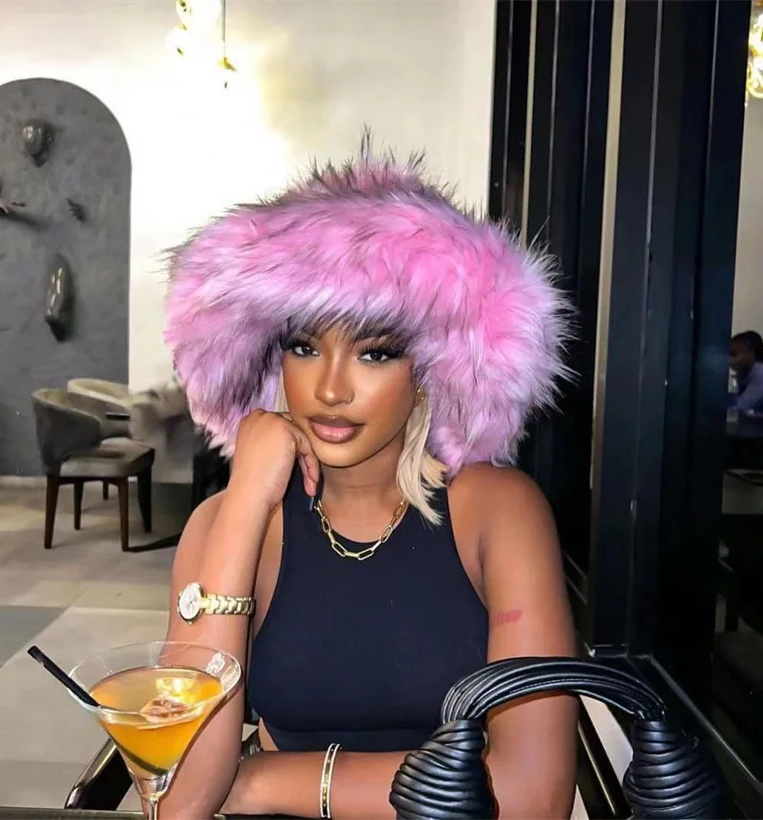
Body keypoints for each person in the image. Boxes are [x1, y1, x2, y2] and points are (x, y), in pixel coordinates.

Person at [160, 138, 578, 819]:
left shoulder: (497, 512)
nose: (330, 389)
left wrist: (261, 782)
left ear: (429, 371)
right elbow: (177, 798)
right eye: (304, 347)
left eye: (375, 353)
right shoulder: (227, 523)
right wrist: (244, 505)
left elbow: (535, 798)